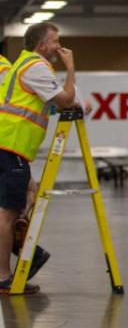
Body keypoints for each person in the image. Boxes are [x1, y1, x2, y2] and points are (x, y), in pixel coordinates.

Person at [0, 23, 73, 294]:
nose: (59, 45)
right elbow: (66, 99)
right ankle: (4, 276)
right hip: (11, 145)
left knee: (26, 197)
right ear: (42, 45)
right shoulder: (34, 66)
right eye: (55, 40)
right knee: (8, 213)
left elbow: (43, 102)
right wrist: (71, 65)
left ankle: (27, 257)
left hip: (11, 146)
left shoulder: (16, 65)